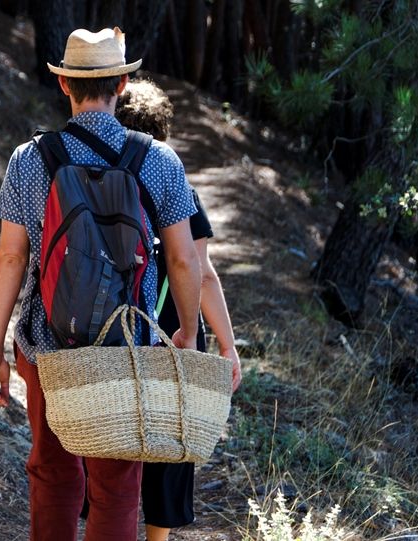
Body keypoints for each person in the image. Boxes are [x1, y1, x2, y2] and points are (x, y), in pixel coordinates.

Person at [0, 27, 203, 541]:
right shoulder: (160, 161)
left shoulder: (30, 159)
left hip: (47, 345)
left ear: (65, 86)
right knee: (119, 486)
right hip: (128, 349)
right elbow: (184, 259)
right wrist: (187, 333)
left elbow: (10, 256)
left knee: (54, 472)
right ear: (122, 84)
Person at [114, 79, 243, 541]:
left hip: (110, 326)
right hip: (172, 328)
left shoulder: (90, 175)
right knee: (170, 443)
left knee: (111, 433)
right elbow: (201, 271)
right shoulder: (170, 178)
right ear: (162, 132)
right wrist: (225, 344)